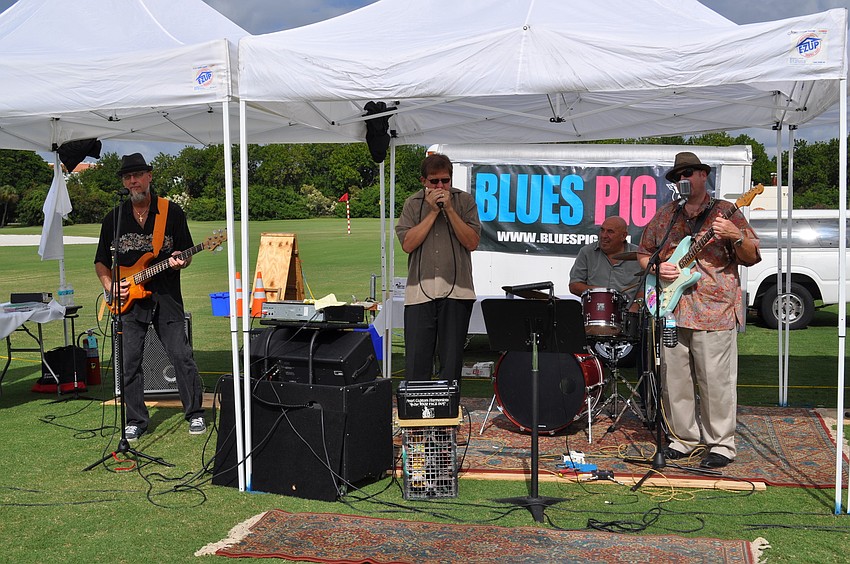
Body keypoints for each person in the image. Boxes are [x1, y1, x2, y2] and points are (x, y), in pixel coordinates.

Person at [637, 151, 761, 469]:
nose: (684, 178)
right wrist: (657, 269)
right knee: (675, 379)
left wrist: (735, 236)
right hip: (673, 309)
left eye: (690, 172)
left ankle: (721, 443)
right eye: (679, 174)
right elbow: (643, 252)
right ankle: (683, 439)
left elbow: (752, 255)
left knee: (715, 380)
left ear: (704, 176)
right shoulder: (666, 214)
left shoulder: (726, 212)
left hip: (714, 309)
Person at [94, 153, 206, 441]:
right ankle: (135, 419)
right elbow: (100, 262)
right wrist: (110, 286)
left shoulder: (171, 212)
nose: (133, 181)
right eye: (128, 177)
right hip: (128, 303)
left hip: (166, 296)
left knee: (181, 355)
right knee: (129, 361)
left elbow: (186, 253)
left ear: (150, 176)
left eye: (138, 175)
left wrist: (183, 260)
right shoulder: (114, 218)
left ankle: (194, 413)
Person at [395, 153, 481, 389]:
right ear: (423, 181)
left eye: (445, 181)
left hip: (457, 292)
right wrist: (433, 212)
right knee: (416, 361)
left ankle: (448, 416)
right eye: (434, 182)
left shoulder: (465, 202)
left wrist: (450, 210)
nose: (440, 187)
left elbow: (472, 242)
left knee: (451, 363)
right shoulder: (413, 204)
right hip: (419, 293)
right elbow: (408, 244)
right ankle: (416, 420)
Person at [569, 215, 643, 304]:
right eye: (602, 230)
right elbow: (574, 285)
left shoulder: (640, 256)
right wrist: (601, 292)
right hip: (595, 309)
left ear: (623, 236)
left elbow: (646, 289)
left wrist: (637, 305)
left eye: (610, 232)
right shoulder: (587, 252)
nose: (604, 235)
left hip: (628, 311)